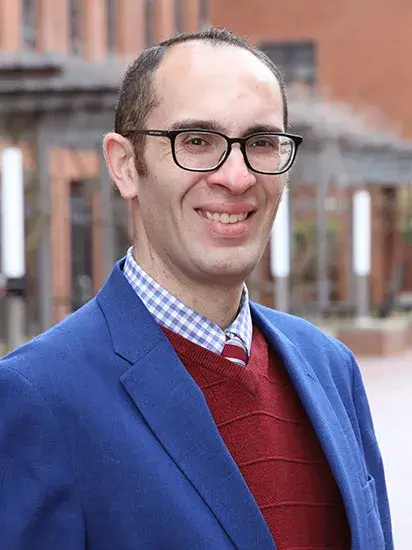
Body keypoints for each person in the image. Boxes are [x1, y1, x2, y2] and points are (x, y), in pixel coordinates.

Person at [0, 27, 392, 550]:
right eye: (197, 141)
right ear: (124, 165)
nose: (236, 177)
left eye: (261, 143)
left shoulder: (331, 369)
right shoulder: (38, 398)